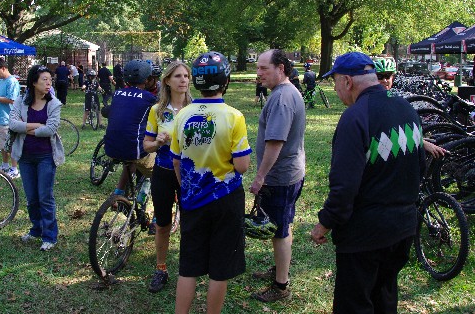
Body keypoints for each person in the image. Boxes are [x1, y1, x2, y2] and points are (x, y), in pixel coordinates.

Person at [310, 52, 425, 313]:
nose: (336, 88)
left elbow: (344, 186)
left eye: (335, 82)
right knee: (385, 297)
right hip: (403, 228)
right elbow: (420, 167)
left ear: (348, 81)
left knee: (355, 304)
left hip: (365, 235)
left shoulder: (355, 117)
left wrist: (325, 223)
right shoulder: (407, 109)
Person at [170, 51, 252, 314]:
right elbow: (242, 165)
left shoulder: (182, 115)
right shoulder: (234, 117)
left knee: (189, 266)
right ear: (225, 81)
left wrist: (187, 187)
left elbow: (176, 160)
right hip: (226, 200)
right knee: (219, 270)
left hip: (192, 199)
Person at [249, 49, 306, 302]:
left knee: (280, 230)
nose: (258, 73)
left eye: (264, 68)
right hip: (290, 173)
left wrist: (260, 177)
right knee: (283, 225)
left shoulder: (282, 98)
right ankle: (279, 269)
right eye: (258, 68)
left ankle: (281, 286)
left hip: (280, 178)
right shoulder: (286, 91)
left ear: (281, 68)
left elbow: (275, 142)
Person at [143, 61, 193, 293]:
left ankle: (189, 268)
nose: (183, 80)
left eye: (186, 76)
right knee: (162, 224)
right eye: (178, 76)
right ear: (167, 81)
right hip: (163, 172)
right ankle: (160, 268)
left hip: (190, 174)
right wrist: (158, 142)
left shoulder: (196, 108)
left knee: (191, 224)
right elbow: (146, 146)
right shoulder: (157, 110)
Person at [9, 65, 64, 252]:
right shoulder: (20, 102)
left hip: (45, 157)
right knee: (32, 198)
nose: (48, 83)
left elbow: (50, 129)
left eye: (50, 79)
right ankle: (36, 229)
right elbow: (13, 124)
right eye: (44, 79)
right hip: (25, 156)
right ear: (34, 82)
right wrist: (35, 125)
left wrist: (26, 127)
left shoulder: (54, 104)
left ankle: (50, 236)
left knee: (45, 197)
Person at [372, 57, 446, 158]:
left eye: (387, 76)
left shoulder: (397, 102)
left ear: (392, 78)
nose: (384, 80)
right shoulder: (367, 103)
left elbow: (403, 129)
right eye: (380, 76)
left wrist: (423, 143)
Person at [104, 59, 157, 197]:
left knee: (130, 157)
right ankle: (157, 213)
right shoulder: (149, 98)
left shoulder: (117, 94)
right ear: (147, 79)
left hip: (111, 148)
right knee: (162, 172)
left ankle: (119, 191)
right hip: (135, 150)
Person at [0, 58, 21, 179]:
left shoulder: (11, 82)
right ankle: (5, 165)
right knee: (2, 145)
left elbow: (11, 100)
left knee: (10, 145)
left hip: (8, 118)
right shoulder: (1, 81)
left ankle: (14, 169)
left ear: (3, 68)